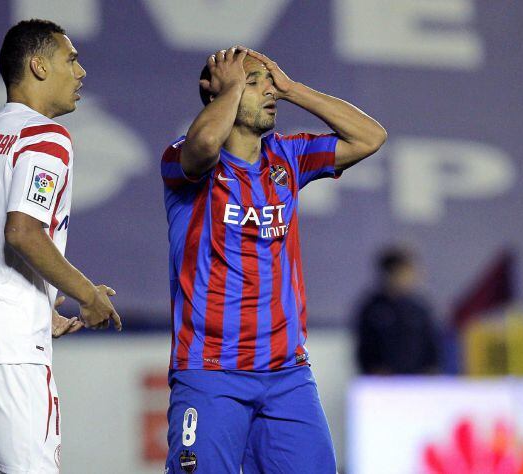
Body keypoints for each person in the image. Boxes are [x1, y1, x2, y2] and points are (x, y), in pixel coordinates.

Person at [161, 46, 387, 473]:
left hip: (287, 375)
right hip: (212, 373)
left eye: (268, 81)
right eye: (253, 82)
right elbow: (207, 141)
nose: (268, 91)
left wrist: (294, 89)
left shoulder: (287, 157)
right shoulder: (183, 160)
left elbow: (370, 137)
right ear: (217, 93)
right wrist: (229, 88)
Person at [0, 19, 121, 473]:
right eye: (70, 59)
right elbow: (22, 232)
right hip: (4, 346)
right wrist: (86, 294)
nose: (81, 72)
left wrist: (40, 305)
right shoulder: (44, 137)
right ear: (37, 66)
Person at [354, 245, 439, 375]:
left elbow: (431, 345)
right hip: (382, 383)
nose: (411, 277)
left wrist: (431, 369)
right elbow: (365, 346)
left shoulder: (420, 308)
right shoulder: (371, 309)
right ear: (390, 273)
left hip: (418, 381)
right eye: (405, 272)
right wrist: (374, 370)